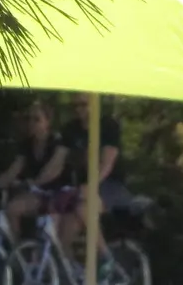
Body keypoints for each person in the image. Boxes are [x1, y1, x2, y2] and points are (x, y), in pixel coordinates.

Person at [49, 94, 131, 274]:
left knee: (82, 207)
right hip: (84, 188)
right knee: (64, 233)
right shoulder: (70, 129)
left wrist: (91, 184)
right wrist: (38, 182)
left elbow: (107, 162)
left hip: (111, 185)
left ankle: (106, 257)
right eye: (75, 106)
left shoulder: (108, 125)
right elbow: (57, 162)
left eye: (83, 104)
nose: (78, 109)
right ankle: (71, 278)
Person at [0, 99, 68, 240]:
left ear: (47, 122)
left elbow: (53, 170)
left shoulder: (57, 142)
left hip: (59, 194)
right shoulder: (27, 144)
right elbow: (14, 170)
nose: (31, 123)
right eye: (29, 119)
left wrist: (32, 183)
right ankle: (17, 251)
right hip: (38, 194)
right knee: (12, 209)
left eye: (37, 119)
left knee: (50, 235)